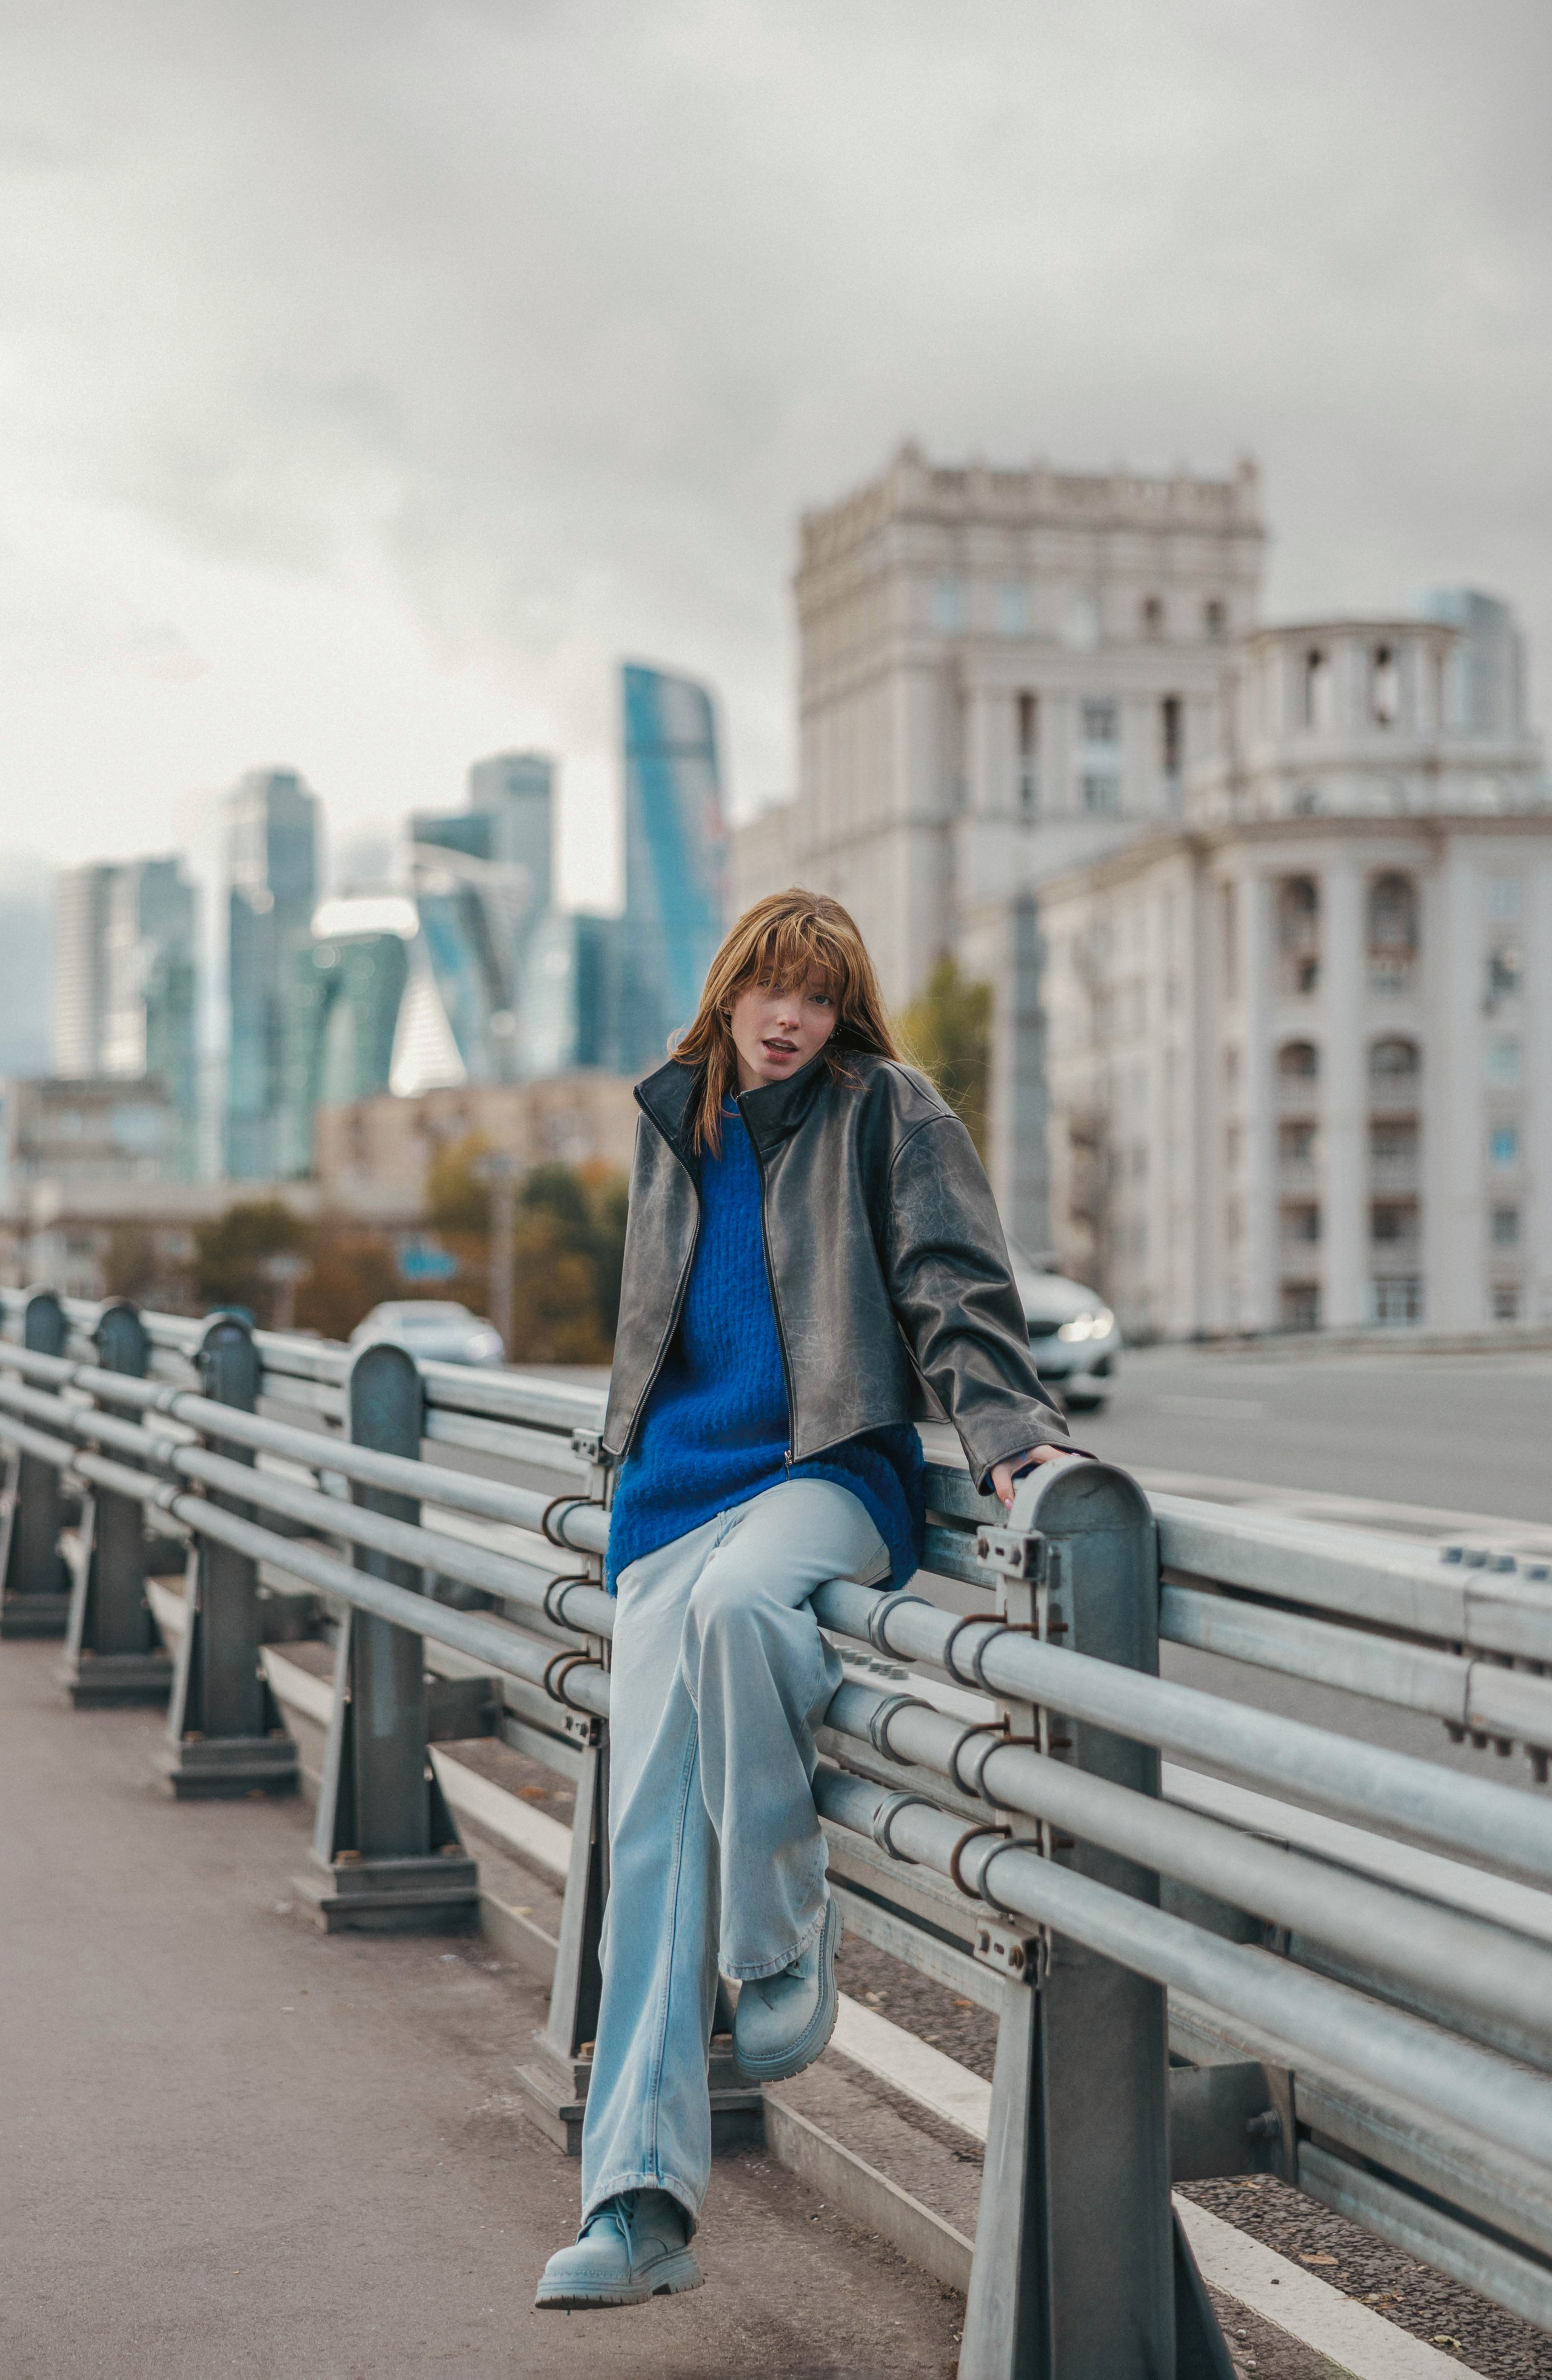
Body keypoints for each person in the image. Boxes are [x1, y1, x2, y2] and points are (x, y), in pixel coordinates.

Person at [535, 888, 1073, 2312]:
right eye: (773, 987)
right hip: (669, 1500)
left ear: (844, 1013)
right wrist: (623, 1454)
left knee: (741, 1615)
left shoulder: (885, 1110)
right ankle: (635, 2203)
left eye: (819, 996)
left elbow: (955, 1285)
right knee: (644, 1831)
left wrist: (1013, 1442)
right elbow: (659, 1324)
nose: (792, 1015)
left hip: (824, 1468)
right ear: (728, 990)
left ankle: (776, 1931)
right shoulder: (671, 1120)